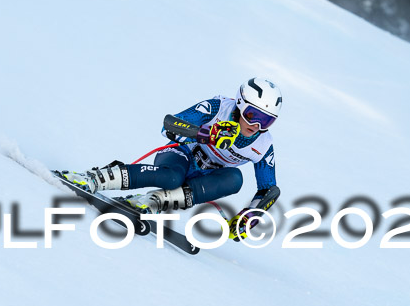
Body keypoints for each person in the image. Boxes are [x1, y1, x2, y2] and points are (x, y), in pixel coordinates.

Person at [64, 77, 282, 240]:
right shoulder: (218, 108)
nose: (257, 126)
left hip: (203, 178)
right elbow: (169, 124)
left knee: (235, 178)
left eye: (267, 121)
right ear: (240, 104)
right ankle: (96, 178)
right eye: (254, 116)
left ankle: (151, 202)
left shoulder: (262, 144)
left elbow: (268, 190)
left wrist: (249, 217)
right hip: (180, 156)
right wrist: (206, 134)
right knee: (171, 178)